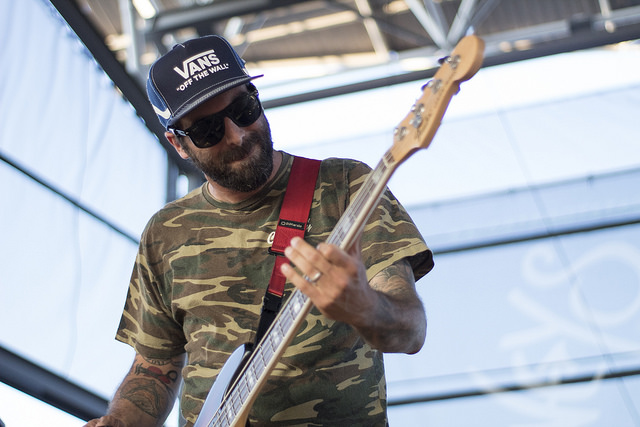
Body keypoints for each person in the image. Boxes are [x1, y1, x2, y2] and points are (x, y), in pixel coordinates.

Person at [85, 35, 434, 427]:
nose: (236, 135)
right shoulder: (165, 232)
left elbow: (411, 330)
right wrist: (118, 420)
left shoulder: (346, 186)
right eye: (207, 131)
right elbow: (154, 368)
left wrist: (365, 306)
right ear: (178, 145)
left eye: (243, 109)